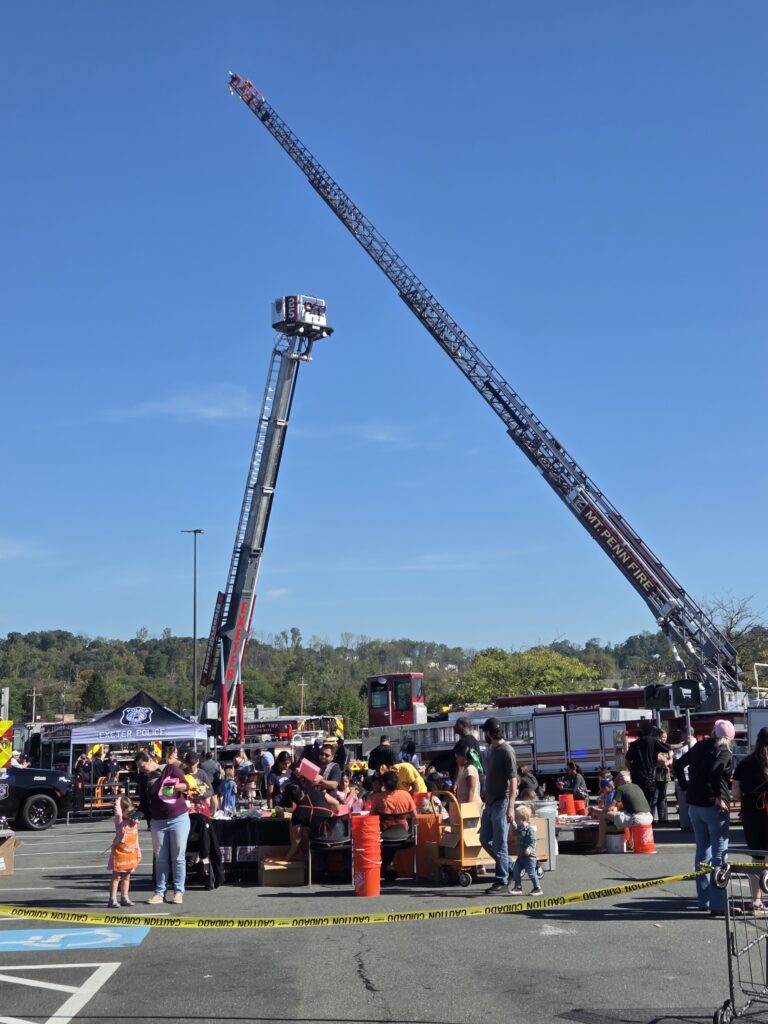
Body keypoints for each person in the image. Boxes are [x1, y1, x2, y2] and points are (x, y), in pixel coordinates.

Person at [674, 719, 734, 916]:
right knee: (719, 852)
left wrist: (685, 786)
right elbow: (717, 771)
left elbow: (678, 764)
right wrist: (718, 795)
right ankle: (717, 903)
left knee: (702, 852)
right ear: (728, 738)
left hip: (694, 804)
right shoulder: (724, 751)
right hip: (713, 805)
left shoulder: (699, 746)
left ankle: (703, 899)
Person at [135, 750, 190, 906]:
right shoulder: (144, 781)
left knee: (178, 856)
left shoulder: (170, 769)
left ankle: (178, 892)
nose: (142, 769)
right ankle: (159, 893)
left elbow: (185, 786)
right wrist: (134, 816)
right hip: (157, 822)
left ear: (151, 760)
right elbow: (144, 806)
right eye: (139, 767)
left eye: (143, 766)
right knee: (160, 858)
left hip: (178, 818)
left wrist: (174, 786)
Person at [731, 726, 768, 914]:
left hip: (753, 813)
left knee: (757, 857)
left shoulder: (745, 763)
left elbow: (736, 793)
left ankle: (756, 900)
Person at [479, 717, 517, 895]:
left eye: (484, 731)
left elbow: (513, 780)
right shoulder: (491, 749)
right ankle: (512, 867)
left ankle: (501, 880)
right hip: (490, 802)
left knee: (500, 843)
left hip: (502, 802)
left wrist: (511, 807)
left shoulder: (506, 751)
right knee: (485, 839)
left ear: (489, 732)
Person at [369, 770, 417, 882]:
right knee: (391, 847)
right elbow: (415, 815)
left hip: (385, 836)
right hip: (404, 835)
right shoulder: (406, 795)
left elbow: (372, 816)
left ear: (384, 784)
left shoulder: (378, 798)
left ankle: (385, 868)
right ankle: (387, 868)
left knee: (387, 847)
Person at [591, 770, 653, 851]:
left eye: (616, 780)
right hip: (649, 817)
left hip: (638, 819)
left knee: (603, 816)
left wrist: (598, 811)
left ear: (620, 781)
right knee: (628, 814)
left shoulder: (620, 789)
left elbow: (610, 808)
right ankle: (631, 842)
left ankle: (600, 846)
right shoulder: (637, 786)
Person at [107, 796, 141, 908]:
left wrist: (138, 852)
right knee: (116, 877)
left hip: (130, 852)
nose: (131, 813)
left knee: (127, 876)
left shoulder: (133, 822)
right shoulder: (120, 822)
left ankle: (124, 897)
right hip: (119, 853)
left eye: (132, 811)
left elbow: (136, 840)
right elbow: (118, 814)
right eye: (128, 811)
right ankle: (112, 899)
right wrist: (118, 801)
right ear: (122, 811)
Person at [626, 722, 670, 807]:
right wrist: (683, 744)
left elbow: (627, 760)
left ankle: (642, 816)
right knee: (652, 799)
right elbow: (669, 747)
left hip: (637, 777)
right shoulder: (652, 741)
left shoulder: (634, 743)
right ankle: (648, 817)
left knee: (640, 799)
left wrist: (631, 770)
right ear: (651, 732)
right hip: (649, 776)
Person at [509, 804, 543, 897]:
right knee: (516, 870)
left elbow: (533, 841)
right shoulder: (520, 827)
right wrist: (512, 822)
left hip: (529, 857)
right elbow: (516, 829)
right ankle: (518, 887)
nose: (515, 819)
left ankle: (537, 888)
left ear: (523, 819)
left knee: (531, 873)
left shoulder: (530, 830)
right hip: (520, 856)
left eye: (517, 818)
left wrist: (529, 848)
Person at [670, 727, 696, 832]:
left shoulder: (686, 745)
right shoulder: (696, 744)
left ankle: (686, 824)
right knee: (692, 803)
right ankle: (691, 824)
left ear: (686, 734)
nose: (681, 735)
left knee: (684, 804)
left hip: (684, 777)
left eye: (682, 733)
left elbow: (675, 762)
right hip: (690, 777)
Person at [651, 732, 672, 825]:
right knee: (654, 798)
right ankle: (651, 819)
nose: (665, 739)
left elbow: (670, 761)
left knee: (663, 798)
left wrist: (666, 762)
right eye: (663, 737)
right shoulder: (655, 748)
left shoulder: (667, 748)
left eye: (666, 737)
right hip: (655, 776)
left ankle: (663, 818)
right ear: (659, 737)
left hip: (665, 776)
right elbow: (660, 761)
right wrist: (666, 761)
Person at [200, 750, 223, 814]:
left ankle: (208, 811)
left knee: (207, 797)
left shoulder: (202, 764)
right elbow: (221, 772)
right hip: (216, 781)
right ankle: (214, 812)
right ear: (211, 756)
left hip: (207, 782)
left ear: (205, 757)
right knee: (215, 797)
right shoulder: (217, 763)